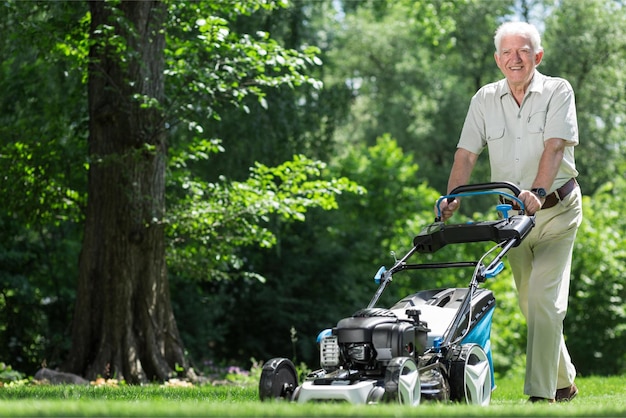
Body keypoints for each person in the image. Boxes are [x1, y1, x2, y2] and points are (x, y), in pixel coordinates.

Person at [439, 21, 581, 403]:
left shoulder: (557, 90)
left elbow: (554, 148)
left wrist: (537, 190)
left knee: (544, 300)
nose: (514, 59)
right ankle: (565, 382)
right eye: (507, 52)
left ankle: (541, 396)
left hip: (556, 211)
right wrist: (452, 196)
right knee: (530, 305)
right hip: (512, 219)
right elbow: (466, 153)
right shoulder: (484, 98)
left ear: (538, 56)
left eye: (523, 51)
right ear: (497, 59)